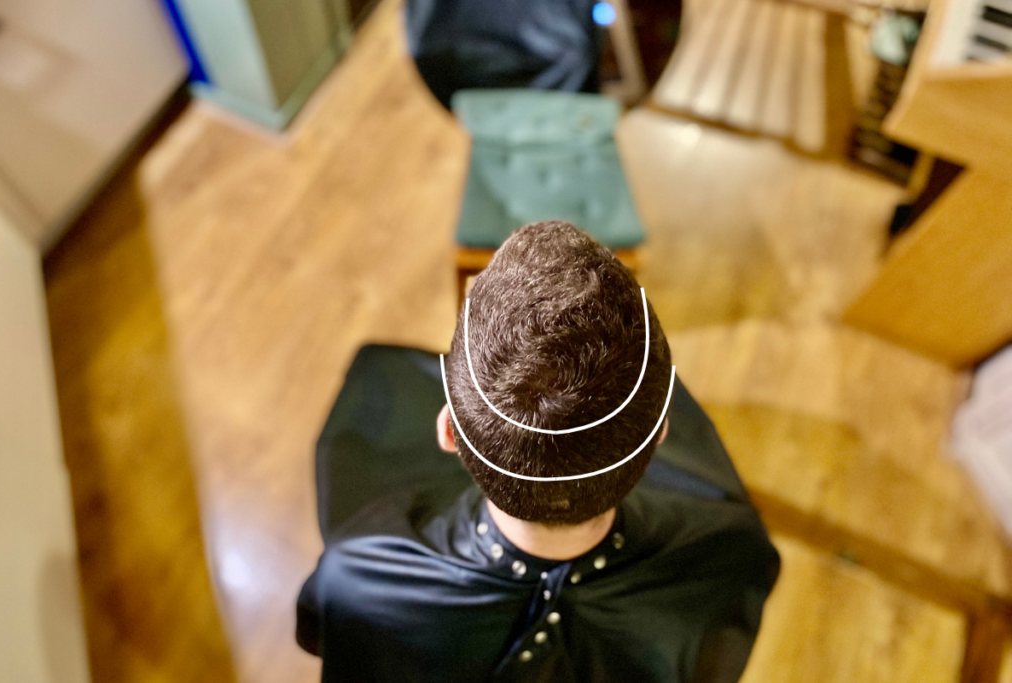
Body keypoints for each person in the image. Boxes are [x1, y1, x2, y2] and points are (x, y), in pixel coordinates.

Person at [297, 221, 779, 682]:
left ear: (447, 431)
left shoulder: (359, 572)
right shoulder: (732, 556)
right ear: (661, 434)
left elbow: (329, 638)